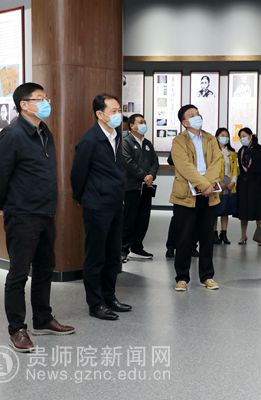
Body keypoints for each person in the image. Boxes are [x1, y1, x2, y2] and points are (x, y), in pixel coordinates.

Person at [0, 82, 75, 353]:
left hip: (45, 211)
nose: (46, 103)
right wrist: (2, 203)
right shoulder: (11, 135)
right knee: (19, 272)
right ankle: (17, 328)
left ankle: (42, 318)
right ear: (24, 105)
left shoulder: (44, 132)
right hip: (22, 214)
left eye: (46, 98)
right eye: (39, 99)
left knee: (45, 267)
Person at [71, 94, 131, 321]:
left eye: (119, 110)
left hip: (115, 203)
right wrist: (83, 198)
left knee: (113, 255)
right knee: (96, 256)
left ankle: (109, 297)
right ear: (100, 114)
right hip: (97, 205)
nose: (118, 115)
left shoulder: (117, 136)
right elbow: (78, 174)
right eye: (113, 111)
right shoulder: (90, 140)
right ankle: (95, 304)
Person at [170, 104, 222, 291]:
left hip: (209, 194)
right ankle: (182, 277)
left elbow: (217, 161)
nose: (197, 116)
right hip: (186, 194)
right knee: (184, 238)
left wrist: (208, 185)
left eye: (198, 113)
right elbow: (184, 166)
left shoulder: (210, 138)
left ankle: (207, 276)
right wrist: (203, 184)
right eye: (192, 115)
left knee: (207, 237)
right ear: (185, 122)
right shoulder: (179, 141)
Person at [121, 113, 159, 262]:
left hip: (146, 187)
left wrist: (151, 176)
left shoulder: (148, 143)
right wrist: (144, 175)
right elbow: (127, 162)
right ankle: (123, 250)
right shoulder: (126, 142)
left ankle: (137, 247)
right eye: (140, 122)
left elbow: (155, 162)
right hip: (131, 187)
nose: (144, 124)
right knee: (129, 219)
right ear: (132, 126)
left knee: (143, 219)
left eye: (144, 122)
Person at [236, 127, 261, 244]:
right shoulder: (241, 151)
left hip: (257, 184)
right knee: (243, 212)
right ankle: (243, 236)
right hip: (244, 185)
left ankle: (260, 236)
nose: (242, 138)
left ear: (250, 136)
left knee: (259, 211)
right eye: (240, 137)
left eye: (244, 136)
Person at [213, 128, 238, 244]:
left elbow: (235, 169)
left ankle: (224, 233)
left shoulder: (231, 152)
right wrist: (219, 182)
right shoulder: (213, 151)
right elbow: (212, 168)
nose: (225, 137)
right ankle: (213, 233)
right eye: (222, 135)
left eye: (227, 135)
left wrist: (233, 181)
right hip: (217, 182)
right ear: (217, 137)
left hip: (229, 182)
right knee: (215, 209)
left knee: (226, 210)